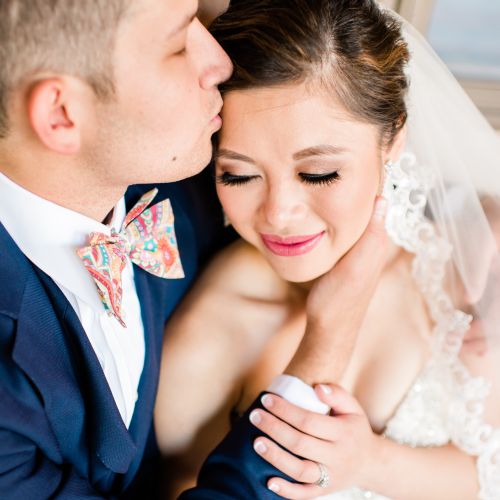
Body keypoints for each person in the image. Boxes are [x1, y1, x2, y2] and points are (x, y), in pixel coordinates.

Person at [0, 0, 389, 498]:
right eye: (181, 40)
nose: (220, 63)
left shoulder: (186, 185)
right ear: (61, 113)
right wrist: (327, 341)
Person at [155, 0, 500, 498]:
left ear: (393, 140)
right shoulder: (215, 332)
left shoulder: (469, 273)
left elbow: (487, 470)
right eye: (239, 174)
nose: (278, 212)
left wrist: (371, 462)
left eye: (318, 172)